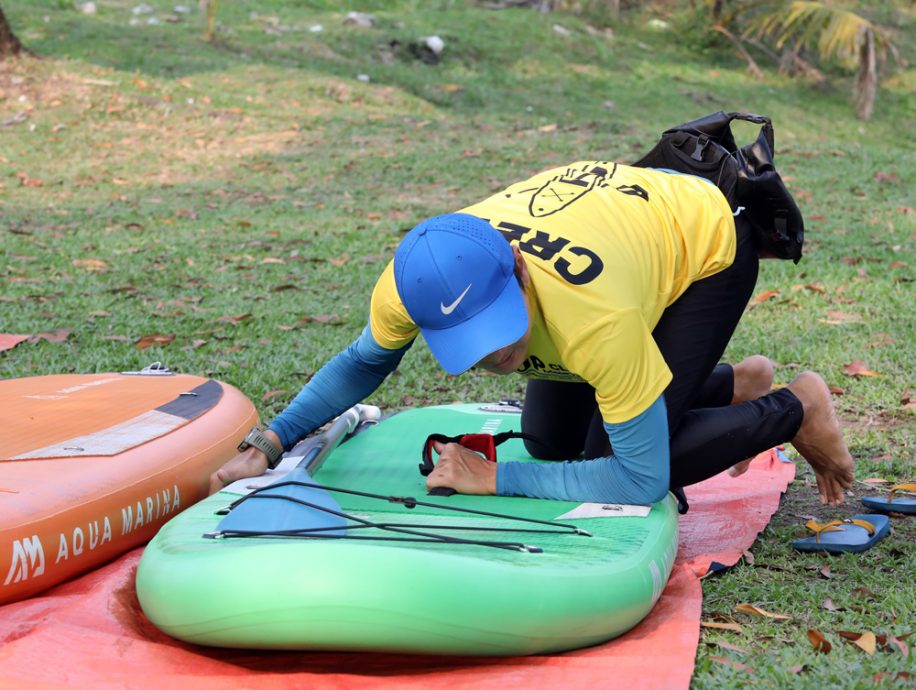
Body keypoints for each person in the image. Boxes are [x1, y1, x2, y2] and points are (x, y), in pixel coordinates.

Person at [211, 161, 855, 506]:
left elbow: (635, 483)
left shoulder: (594, 317)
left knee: (616, 457)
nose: (495, 353)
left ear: (518, 270)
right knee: (549, 443)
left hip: (702, 243)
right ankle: (732, 383)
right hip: (615, 230)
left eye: (496, 323)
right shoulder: (415, 277)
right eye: (467, 337)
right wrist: (267, 442)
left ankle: (796, 406)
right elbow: (363, 363)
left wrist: (493, 479)